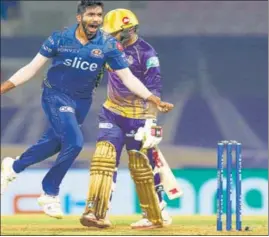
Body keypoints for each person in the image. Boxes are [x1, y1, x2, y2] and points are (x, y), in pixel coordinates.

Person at [0, 1, 173, 219]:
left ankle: (13, 167)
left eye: (99, 15)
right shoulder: (59, 39)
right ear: (79, 18)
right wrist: (3, 88)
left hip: (82, 102)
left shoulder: (108, 45)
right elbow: (31, 69)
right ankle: (49, 192)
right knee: (74, 142)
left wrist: (152, 98)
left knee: (55, 142)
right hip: (55, 95)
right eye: (91, 14)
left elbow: (127, 77)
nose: (96, 19)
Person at [80, 9, 173, 229]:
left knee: (143, 166)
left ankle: (157, 212)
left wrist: (151, 123)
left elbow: (154, 88)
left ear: (128, 30)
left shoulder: (146, 53)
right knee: (104, 157)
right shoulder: (109, 47)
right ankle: (98, 213)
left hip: (138, 117)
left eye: (114, 33)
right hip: (111, 112)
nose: (110, 36)